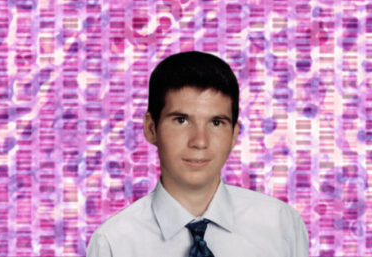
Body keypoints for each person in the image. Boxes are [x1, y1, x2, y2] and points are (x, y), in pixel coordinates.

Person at [87, 51, 309, 257]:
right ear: (151, 128)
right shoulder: (113, 243)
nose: (199, 141)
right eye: (181, 120)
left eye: (216, 122)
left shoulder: (281, 225)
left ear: (234, 134)